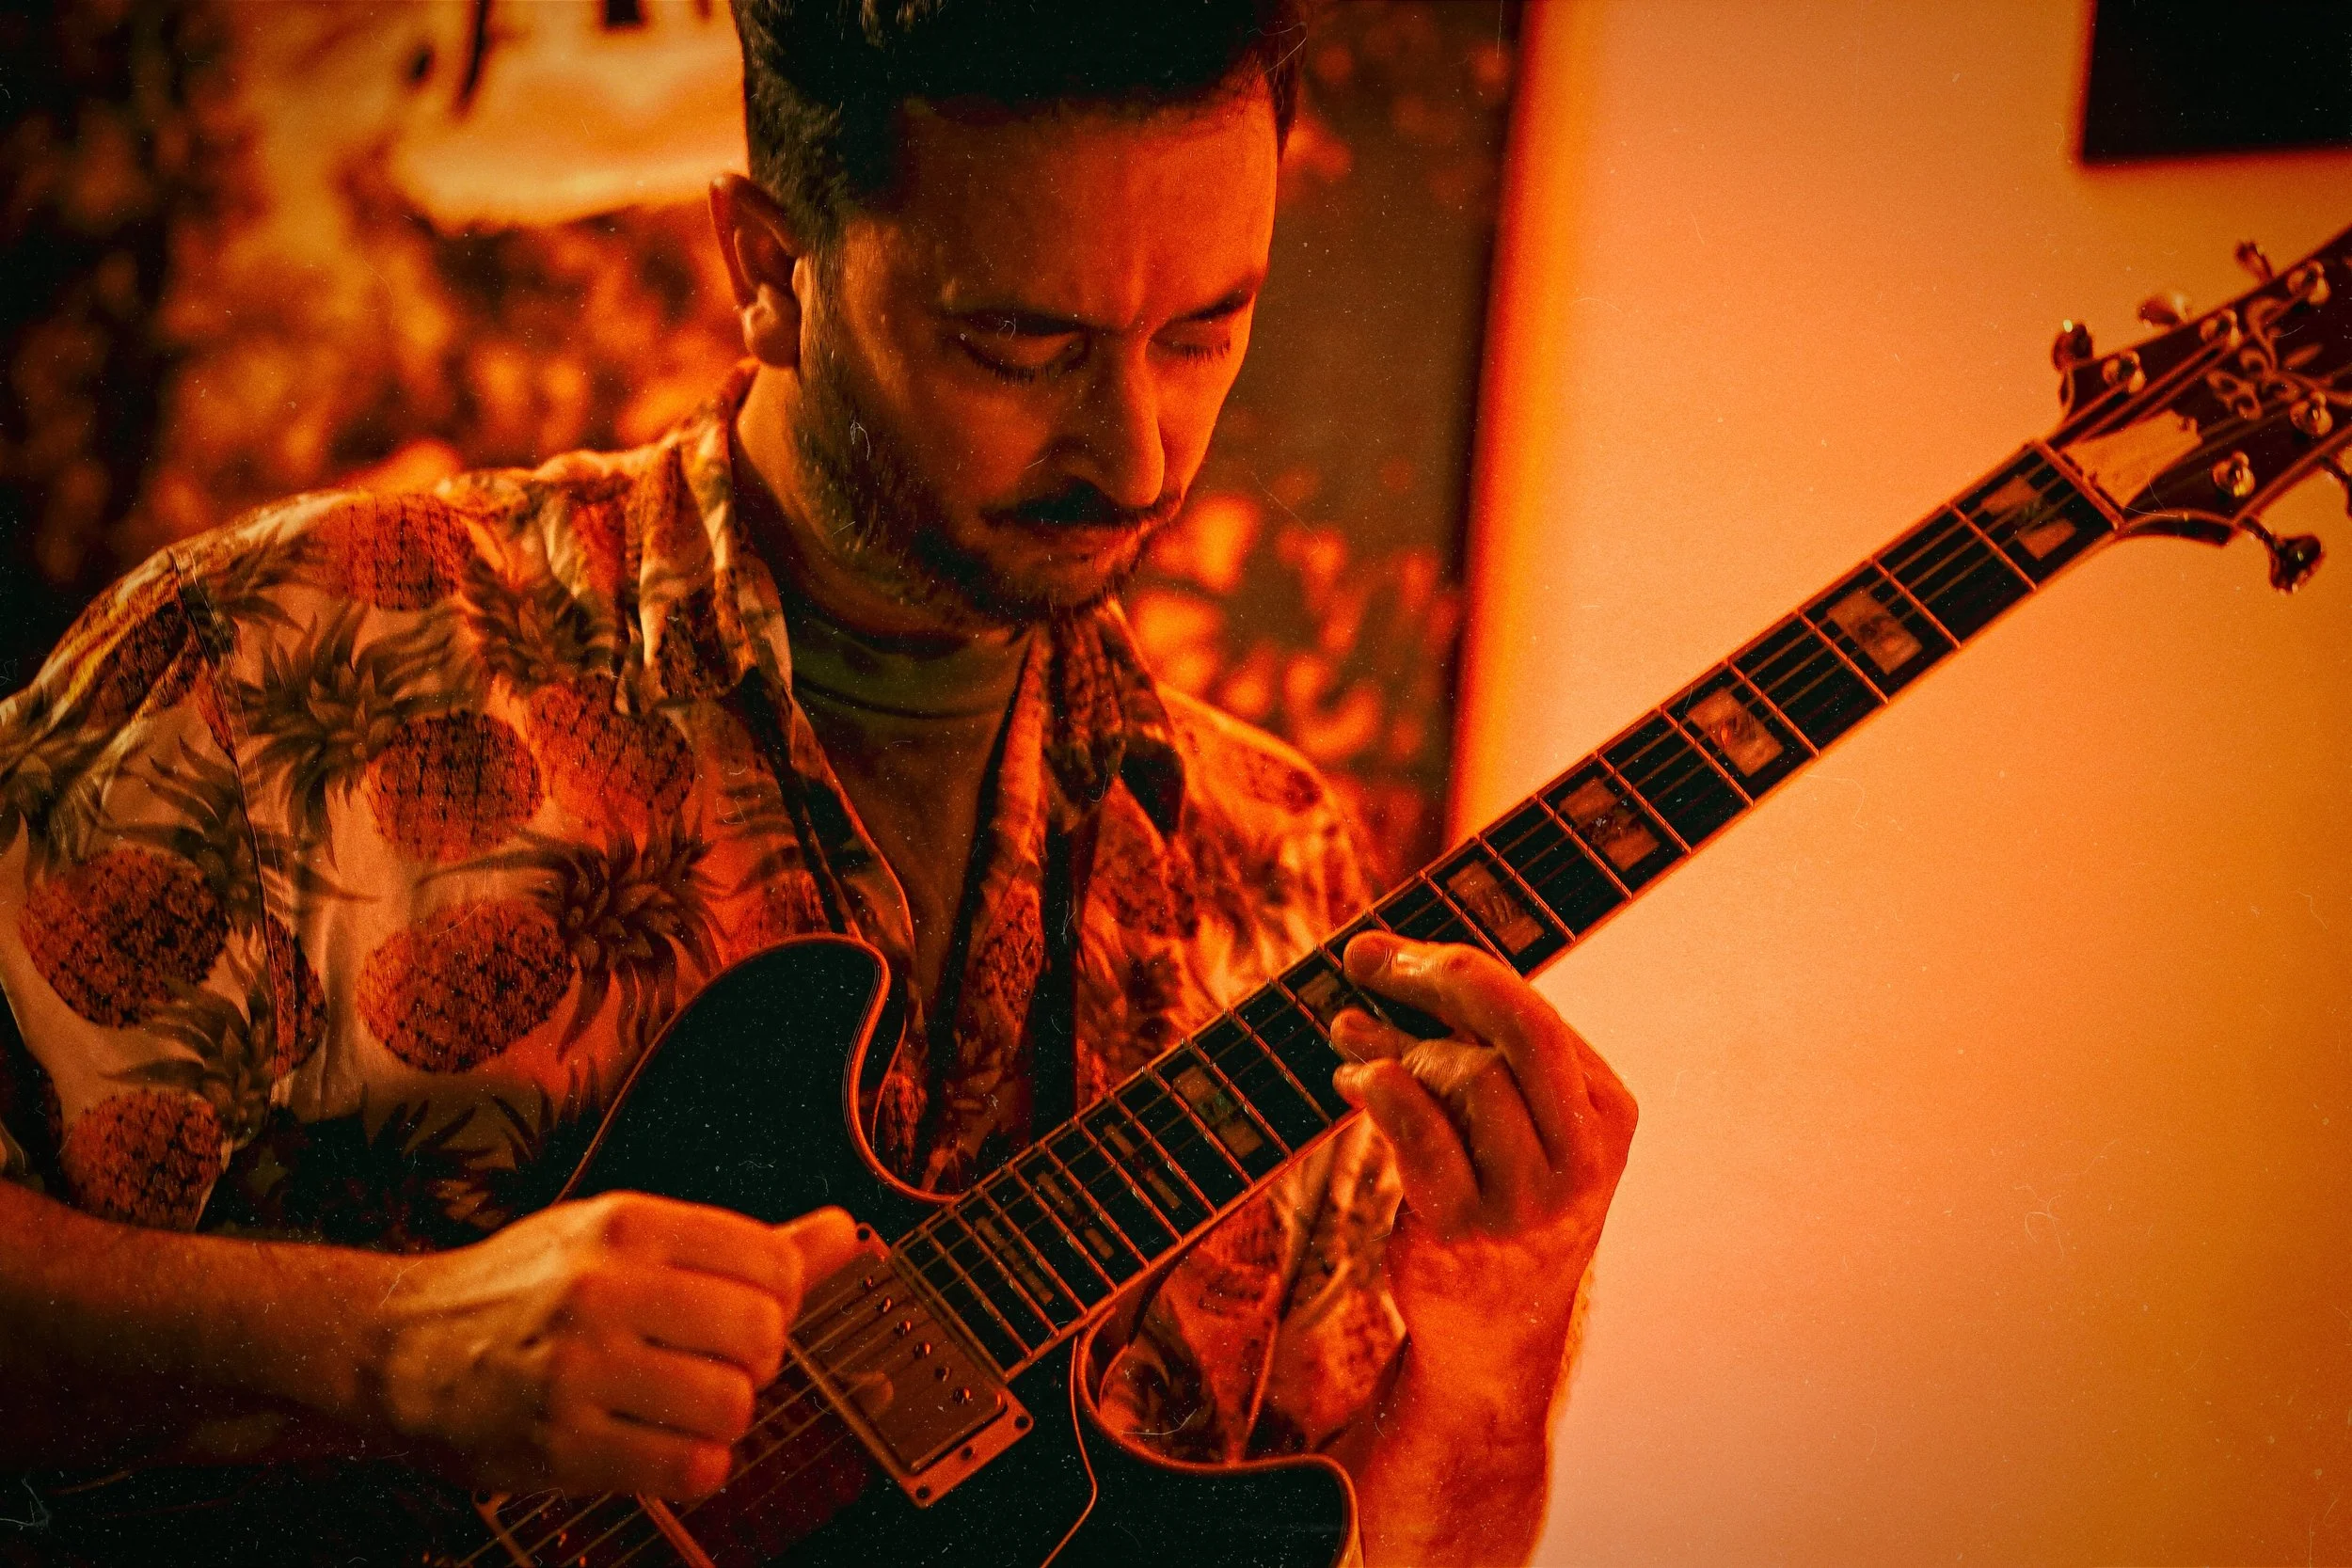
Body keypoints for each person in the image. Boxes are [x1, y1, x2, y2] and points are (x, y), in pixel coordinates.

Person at [0, 2, 1636, 1563]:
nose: (1138, 452)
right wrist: (390, 1346)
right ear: (771, 271)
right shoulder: (304, 657)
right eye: (1022, 344)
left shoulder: (1279, 874)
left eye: (1205, 331)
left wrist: (1496, 1340)